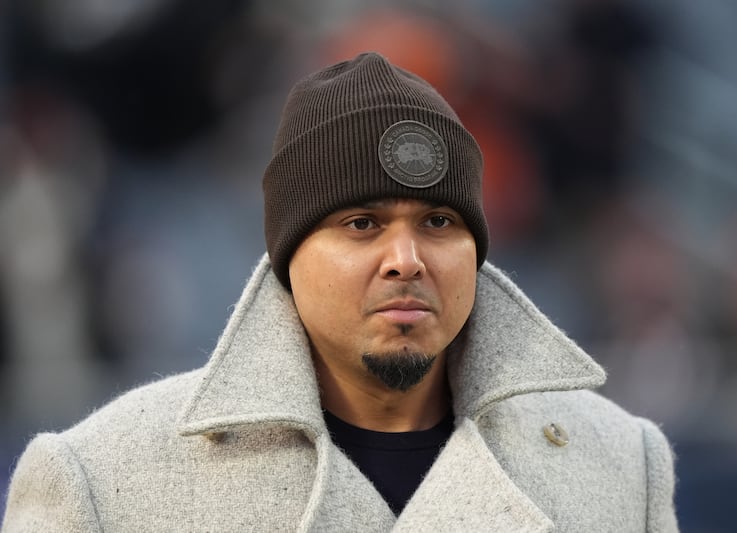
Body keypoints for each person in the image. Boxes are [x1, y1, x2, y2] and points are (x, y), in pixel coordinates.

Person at [2, 52, 678, 532]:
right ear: (289, 255)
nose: (406, 259)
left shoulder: (623, 463)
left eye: (439, 222)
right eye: (362, 224)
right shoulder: (102, 481)